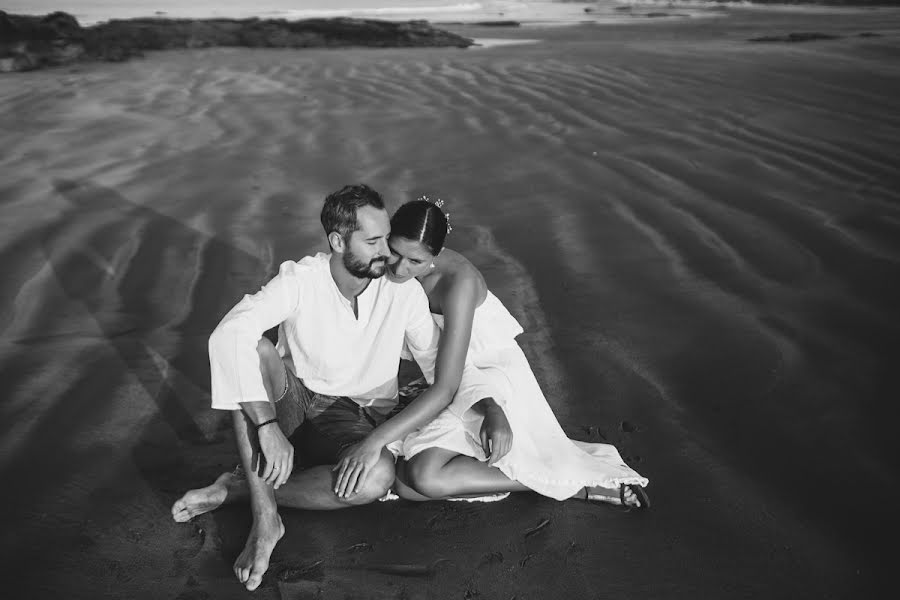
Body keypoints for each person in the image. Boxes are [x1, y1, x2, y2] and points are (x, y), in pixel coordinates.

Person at [170, 185, 464, 591]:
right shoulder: (301, 279)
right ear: (339, 241)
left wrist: (491, 405)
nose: (389, 255)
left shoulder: (403, 292)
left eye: (387, 239)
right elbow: (228, 334)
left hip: (357, 420)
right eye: (375, 241)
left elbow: (439, 371)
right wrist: (268, 426)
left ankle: (239, 488)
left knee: (377, 478)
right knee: (251, 348)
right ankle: (266, 518)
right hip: (297, 403)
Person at [386, 199, 650, 507]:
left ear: (436, 254)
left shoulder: (458, 283)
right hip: (449, 375)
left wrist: (492, 410)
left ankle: (571, 484)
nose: (400, 267)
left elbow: (460, 374)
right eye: (395, 252)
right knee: (406, 485)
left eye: (414, 261)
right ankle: (542, 474)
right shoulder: (388, 263)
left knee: (424, 477)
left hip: (487, 378)